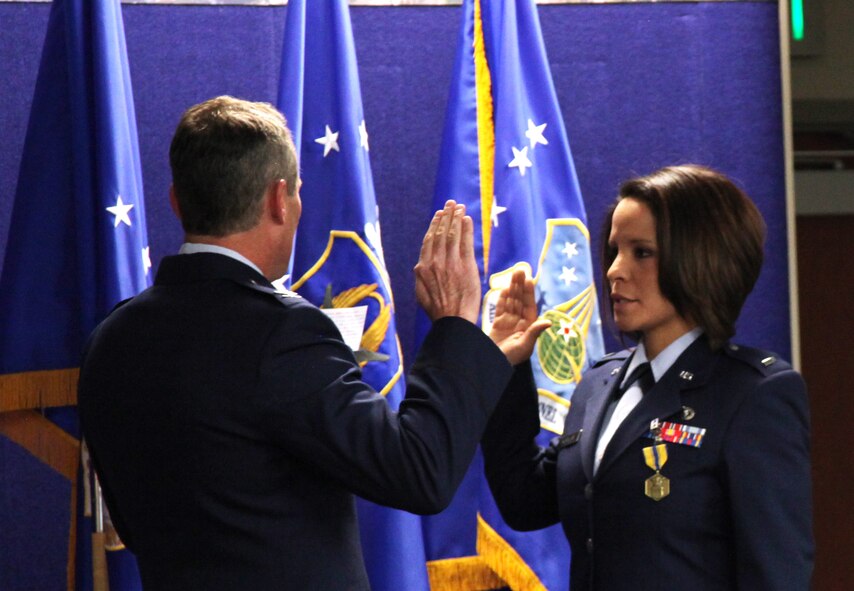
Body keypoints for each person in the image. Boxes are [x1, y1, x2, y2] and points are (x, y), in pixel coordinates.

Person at [78, 96, 542, 590]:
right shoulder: (281, 333)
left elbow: (136, 521)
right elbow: (420, 472)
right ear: (280, 199)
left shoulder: (110, 340)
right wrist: (454, 327)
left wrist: (484, 356)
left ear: (175, 200)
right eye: (298, 194)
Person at [482, 164, 814, 590]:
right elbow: (525, 503)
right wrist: (508, 367)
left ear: (702, 258)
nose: (614, 271)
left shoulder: (753, 394)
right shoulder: (599, 384)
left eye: (641, 252)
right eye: (614, 250)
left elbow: (776, 575)